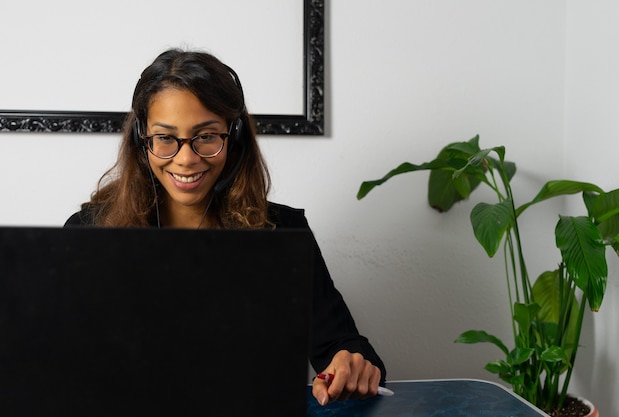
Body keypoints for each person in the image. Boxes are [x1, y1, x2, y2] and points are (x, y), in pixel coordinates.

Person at [65, 48, 386, 406]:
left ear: (233, 138)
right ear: (142, 140)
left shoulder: (282, 231)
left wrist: (351, 364)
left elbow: (343, 346)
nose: (186, 159)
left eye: (206, 136)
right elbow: (57, 356)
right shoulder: (88, 232)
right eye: (165, 138)